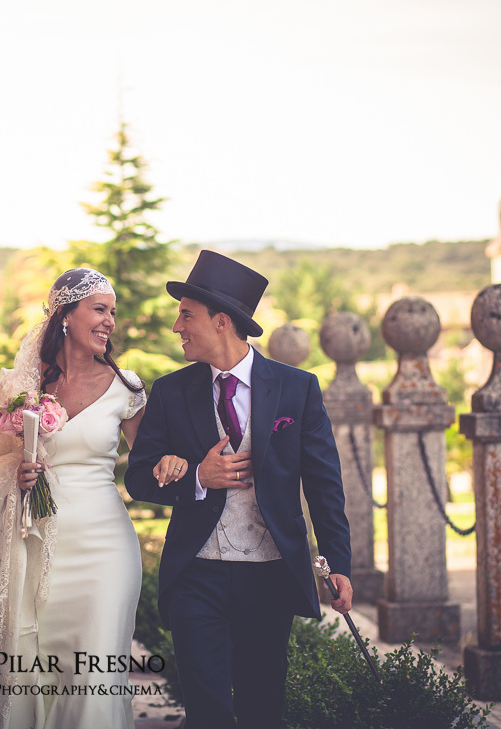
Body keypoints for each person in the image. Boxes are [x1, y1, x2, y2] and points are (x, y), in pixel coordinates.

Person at [125, 250, 353, 729]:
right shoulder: (170, 391)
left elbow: (324, 484)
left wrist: (338, 564)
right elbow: (139, 477)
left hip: (269, 573)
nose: (176, 326)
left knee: (261, 706)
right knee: (206, 709)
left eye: (186, 314)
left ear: (222, 321)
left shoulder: (297, 388)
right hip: (197, 573)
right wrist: (195, 478)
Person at [0, 268, 148, 729]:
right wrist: (14, 470)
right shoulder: (21, 387)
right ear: (65, 316)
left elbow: (152, 463)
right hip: (33, 546)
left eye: (113, 312)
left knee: (93, 672)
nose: (110, 321)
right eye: (99, 309)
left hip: (104, 549)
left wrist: (184, 464)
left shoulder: (127, 388)